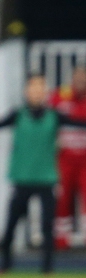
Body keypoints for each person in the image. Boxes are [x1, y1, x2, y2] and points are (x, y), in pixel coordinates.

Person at [0, 74, 86, 275]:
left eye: (40, 88)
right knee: (11, 225)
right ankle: (5, 265)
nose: (36, 92)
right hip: (22, 178)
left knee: (47, 226)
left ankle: (47, 268)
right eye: (32, 87)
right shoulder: (18, 114)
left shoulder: (54, 116)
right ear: (26, 91)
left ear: (45, 92)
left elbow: (78, 123)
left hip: (46, 178)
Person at [50, 66, 86, 250]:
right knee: (63, 199)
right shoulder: (60, 96)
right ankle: (62, 240)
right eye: (77, 76)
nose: (80, 80)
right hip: (65, 158)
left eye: (84, 76)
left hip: (85, 161)